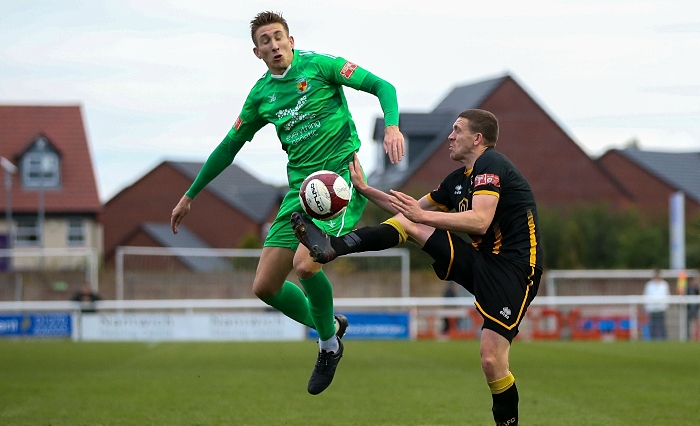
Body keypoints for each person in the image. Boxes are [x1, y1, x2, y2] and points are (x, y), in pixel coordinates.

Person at [170, 11, 405, 395]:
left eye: (279, 37)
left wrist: (392, 125)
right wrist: (190, 194)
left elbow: (383, 86)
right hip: (299, 194)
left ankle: (328, 344)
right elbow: (228, 148)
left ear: (290, 41)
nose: (274, 45)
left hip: (336, 187)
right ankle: (332, 324)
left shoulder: (322, 66)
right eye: (266, 41)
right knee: (264, 286)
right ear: (257, 52)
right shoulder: (261, 95)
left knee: (305, 264)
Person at [293, 109, 542, 426]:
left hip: (515, 270)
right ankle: (332, 246)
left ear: (478, 139)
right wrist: (367, 190)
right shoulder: (457, 180)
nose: (450, 136)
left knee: (492, 361)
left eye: (457, 130)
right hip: (480, 261)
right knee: (406, 224)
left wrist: (421, 216)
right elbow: (410, 211)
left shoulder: (491, 164)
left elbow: (480, 221)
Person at [643, 269, 670, 340]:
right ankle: (653, 339)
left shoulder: (664, 284)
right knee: (652, 325)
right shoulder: (649, 285)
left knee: (661, 325)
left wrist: (665, 306)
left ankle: (664, 339)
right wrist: (647, 307)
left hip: (661, 308)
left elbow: (667, 296)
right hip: (652, 309)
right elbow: (646, 296)